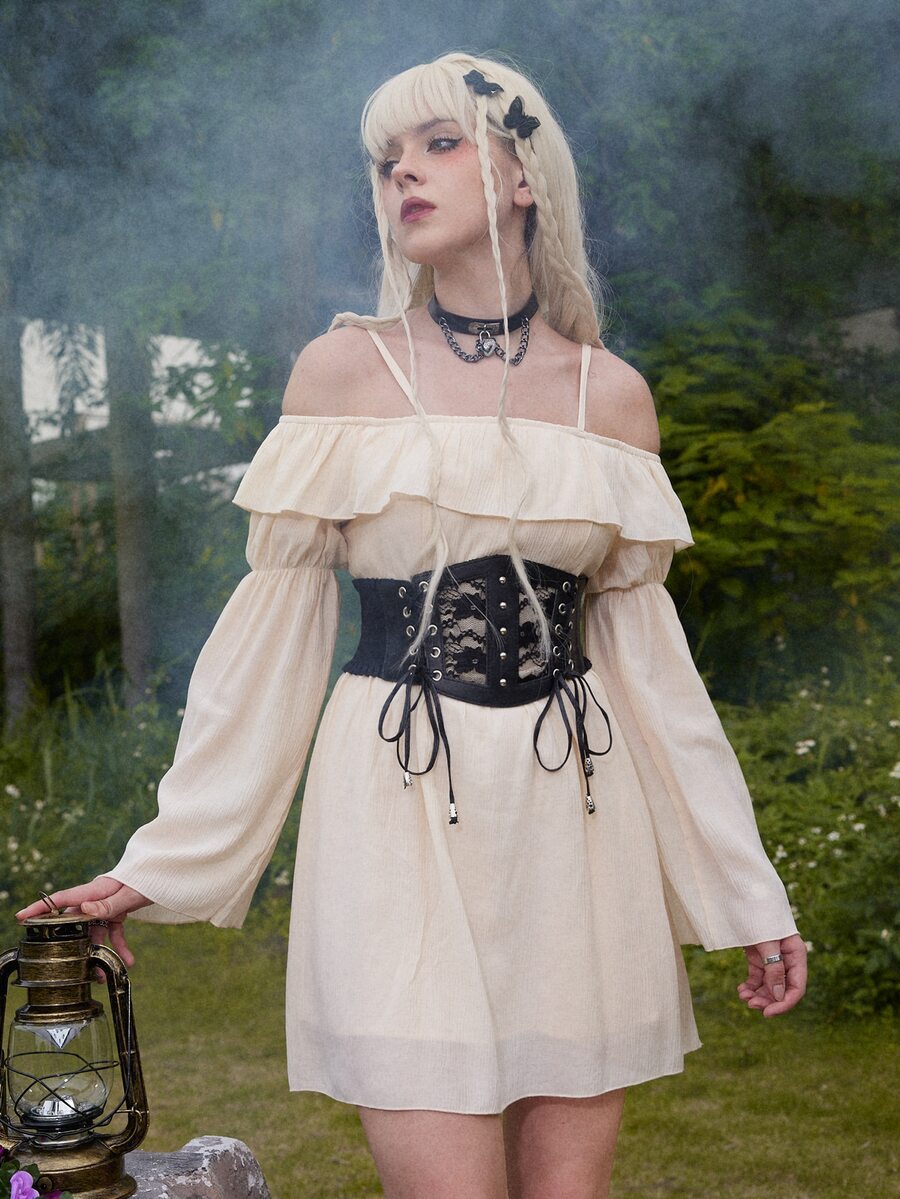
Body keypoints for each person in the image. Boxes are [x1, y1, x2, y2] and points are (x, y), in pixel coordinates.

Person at [17, 51, 807, 1199]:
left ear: (524, 174)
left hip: (576, 818)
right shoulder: (343, 374)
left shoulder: (612, 397)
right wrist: (165, 859)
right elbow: (272, 647)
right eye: (387, 158)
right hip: (394, 808)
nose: (403, 174)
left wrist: (747, 888)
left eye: (439, 144)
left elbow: (656, 679)